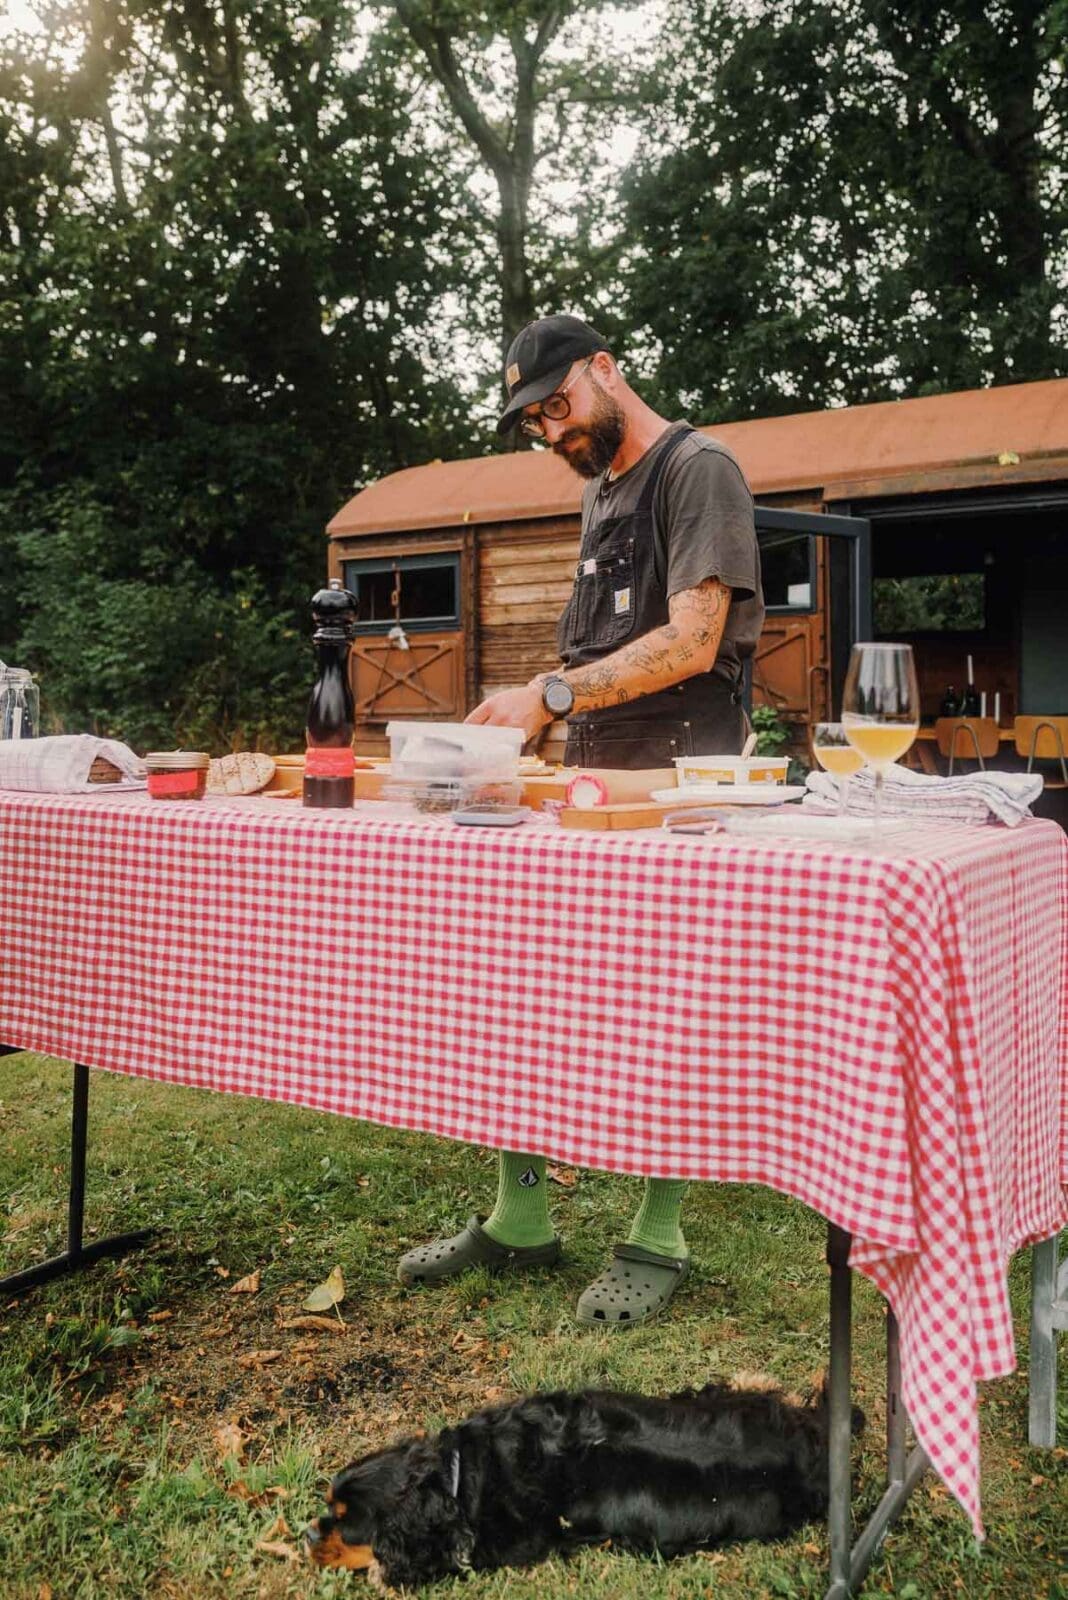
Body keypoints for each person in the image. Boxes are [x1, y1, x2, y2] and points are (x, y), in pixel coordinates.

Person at [397, 314, 765, 1325]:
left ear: (606, 370)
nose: (551, 433)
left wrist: (550, 697)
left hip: (680, 775)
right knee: (529, 983)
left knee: (663, 1007)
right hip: (594, 774)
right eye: (533, 422)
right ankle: (520, 1220)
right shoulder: (604, 486)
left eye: (558, 406)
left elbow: (692, 641)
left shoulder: (700, 470)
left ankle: (659, 1233)